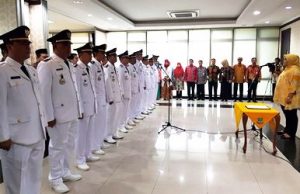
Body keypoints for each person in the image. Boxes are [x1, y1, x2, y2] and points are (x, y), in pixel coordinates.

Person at [0, 25, 46, 194]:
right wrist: (2, 136)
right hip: (16, 139)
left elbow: (38, 102)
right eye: (22, 43)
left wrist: (44, 126)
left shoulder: (32, 71)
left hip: (36, 134)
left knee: (34, 179)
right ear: (9, 46)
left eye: (28, 43)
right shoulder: (2, 71)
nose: (28, 46)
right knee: (17, 184)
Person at [37, 29, 82, 193]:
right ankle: (55, 178)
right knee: (56, 147)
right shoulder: (47, 64)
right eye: (65, 44)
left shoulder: (68, 63)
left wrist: (78, 110)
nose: (68, 48)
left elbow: (73, 90)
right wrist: (48, 116)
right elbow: (43, 93)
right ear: (56, 45)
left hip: (71, 113)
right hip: (57, 116)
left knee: (69, 145)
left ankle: (65, 171)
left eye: (69, 44)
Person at [74, 42, 100, 171]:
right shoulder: (77, 69)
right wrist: (80, 109)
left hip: (91, 106)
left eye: (90, 53)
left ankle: (87, 153)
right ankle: (79, 159)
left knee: (89, 132)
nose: (90, 55)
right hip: (83, 108)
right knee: (81, 134)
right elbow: (77, 91)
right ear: (80, 55)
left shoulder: (88, 68)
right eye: (88, 53)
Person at [274, 54, 300, 139]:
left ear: (291, 60)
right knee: (287, 115)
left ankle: (291, 133)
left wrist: (290, 96)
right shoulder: (287, 69)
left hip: (290, 97)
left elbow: (295, 85)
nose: (283, 61)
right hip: (284, 97)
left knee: (292, 116)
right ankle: (287, 130)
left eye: (285, 59)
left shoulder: (295, 70)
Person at [89, 44, 108, 154]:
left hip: (102, 99)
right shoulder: (92, 66)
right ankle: (94, 146)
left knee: (101, 123)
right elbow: (93, 85)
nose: (103, 55)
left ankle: (99, 143)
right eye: (101, 53)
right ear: (95, 54)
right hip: (97, 100)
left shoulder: (99, 65)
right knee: (96, 125)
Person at [104, 48, 124, 143]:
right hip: (112, 98)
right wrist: (110, 97)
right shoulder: (107, 68)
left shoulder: (114, 67)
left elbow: (117, 83)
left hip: (117, 96)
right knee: (110, 117)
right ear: (109, 57)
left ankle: (113, 133)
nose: (116, 57)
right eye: (114, 56)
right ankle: (107, 135)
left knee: (116, 116)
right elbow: (107, 84)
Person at [117, 51, 132, 133]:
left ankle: (125, 123)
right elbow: (120, 82)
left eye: (127, 58)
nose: (127, 60)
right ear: (121, 59)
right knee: (122, 111)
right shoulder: (120, 68)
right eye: (126, 58)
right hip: (123, 94)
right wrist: (122, 93)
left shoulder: (126, 68)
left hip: (128, 92)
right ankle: (121, 125)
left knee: (126, 109)